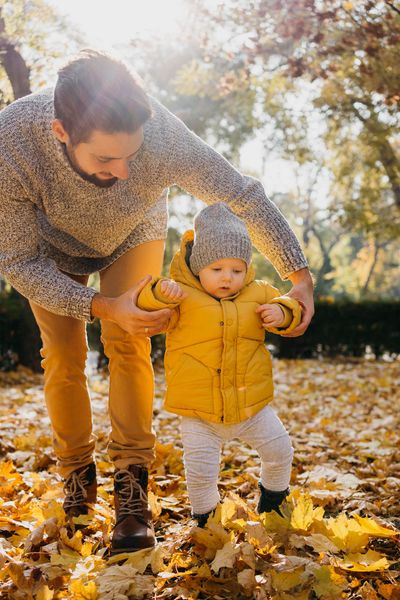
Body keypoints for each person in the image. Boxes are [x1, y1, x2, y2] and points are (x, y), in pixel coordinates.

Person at [0, 49, 313, 554]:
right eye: (106, 158)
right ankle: (77, 481)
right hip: (49, 248)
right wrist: (102, 305)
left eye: (133, 154)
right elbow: (16, 260)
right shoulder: (11, 141)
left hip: (134, 232)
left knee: (130, 344)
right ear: (61, 133)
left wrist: (299, 277)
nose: (124, 171)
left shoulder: (163, 135)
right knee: (63, 356)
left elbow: (242, 195)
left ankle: (131, 491)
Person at [138, 203, 301, 524]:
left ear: (247, 269)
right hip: (199, 412)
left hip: (252, 406)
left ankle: (274, 500)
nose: (227, 278)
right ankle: (206, 519)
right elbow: (144, 300)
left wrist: (283, 312)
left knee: (280, 451)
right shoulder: (180, 293)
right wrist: (159, 292)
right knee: (200, 473)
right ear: (199, 266)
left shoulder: (258, 293)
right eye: (216, 269)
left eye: (236, 270)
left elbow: (290, 305)